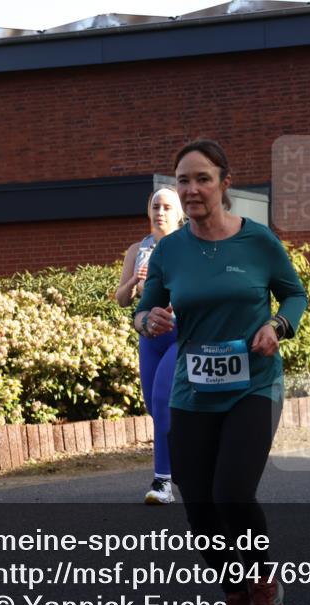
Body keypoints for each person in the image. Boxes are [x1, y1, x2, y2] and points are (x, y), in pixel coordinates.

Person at [134, 139, 307, 605]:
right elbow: (143, 309)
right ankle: (234, 595)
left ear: (224, 184)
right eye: (183, 181)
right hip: (194, 389)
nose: (192, 189)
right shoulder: (169, 250)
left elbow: (294, 294)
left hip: (252, 383)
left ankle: (263, 588)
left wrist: (278, 326)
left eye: (202, 178)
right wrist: (151, 320)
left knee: (232, 491)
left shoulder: (258, 242)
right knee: (199, 500)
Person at [116, 187, 184, 503]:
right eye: (156, 206)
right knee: (154, 408)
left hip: (180, 333)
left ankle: (162, 483)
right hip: (149, 338)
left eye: (168, 207)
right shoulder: (137, 250)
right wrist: (135, 284)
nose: (160, 212)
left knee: (161, 400)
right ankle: (182, 461)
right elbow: (121, 299)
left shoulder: (189, 246)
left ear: (179, 214)